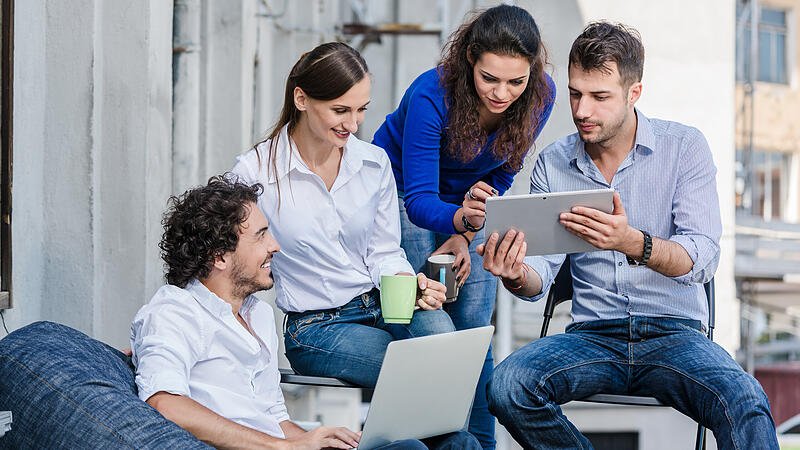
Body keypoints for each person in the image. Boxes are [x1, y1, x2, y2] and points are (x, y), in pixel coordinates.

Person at [477, 22, 779, 449]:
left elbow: (703, 259)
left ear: (634, 93)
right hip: (592, 336)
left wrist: (632, 242)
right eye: (575, 93)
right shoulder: (554, 162)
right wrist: (513, 273)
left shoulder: (684, 148)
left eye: (600, 97)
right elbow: (538, 275)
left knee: (746, 399)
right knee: (508, 386)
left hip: (675, 335)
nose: (582, 110)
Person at [132, 176, 468, 449]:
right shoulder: (174, 312)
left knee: (454, 443)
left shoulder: (257, 315)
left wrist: (314, 439)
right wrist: (285, 447)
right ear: (219, 255)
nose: (275, 246)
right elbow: (166, 404)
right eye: (261, 236)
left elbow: (276, 420)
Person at [230, 43, 463, 397]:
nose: (353, 125)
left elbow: (384, 251)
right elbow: (233, 262)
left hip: (382, 302)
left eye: (361, 110)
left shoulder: (374, 163)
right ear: (302, 99)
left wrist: (408, 285)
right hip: (315, 327)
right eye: (340, 110)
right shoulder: (255, 173)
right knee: (416, 373)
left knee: (443, 340)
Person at [371, 5, 555, 448]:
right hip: (400, 190)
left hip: (466, 208)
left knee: (473, 326)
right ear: (470, 57)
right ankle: (440, 439)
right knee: (430, 316)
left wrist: (465, 233)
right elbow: (417, 201)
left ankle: (479, 443)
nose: (503, 93)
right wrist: (460, 218)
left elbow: (503, 173)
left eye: (516, 80)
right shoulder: (431, 95)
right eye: (490, 78)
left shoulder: (542, 95)